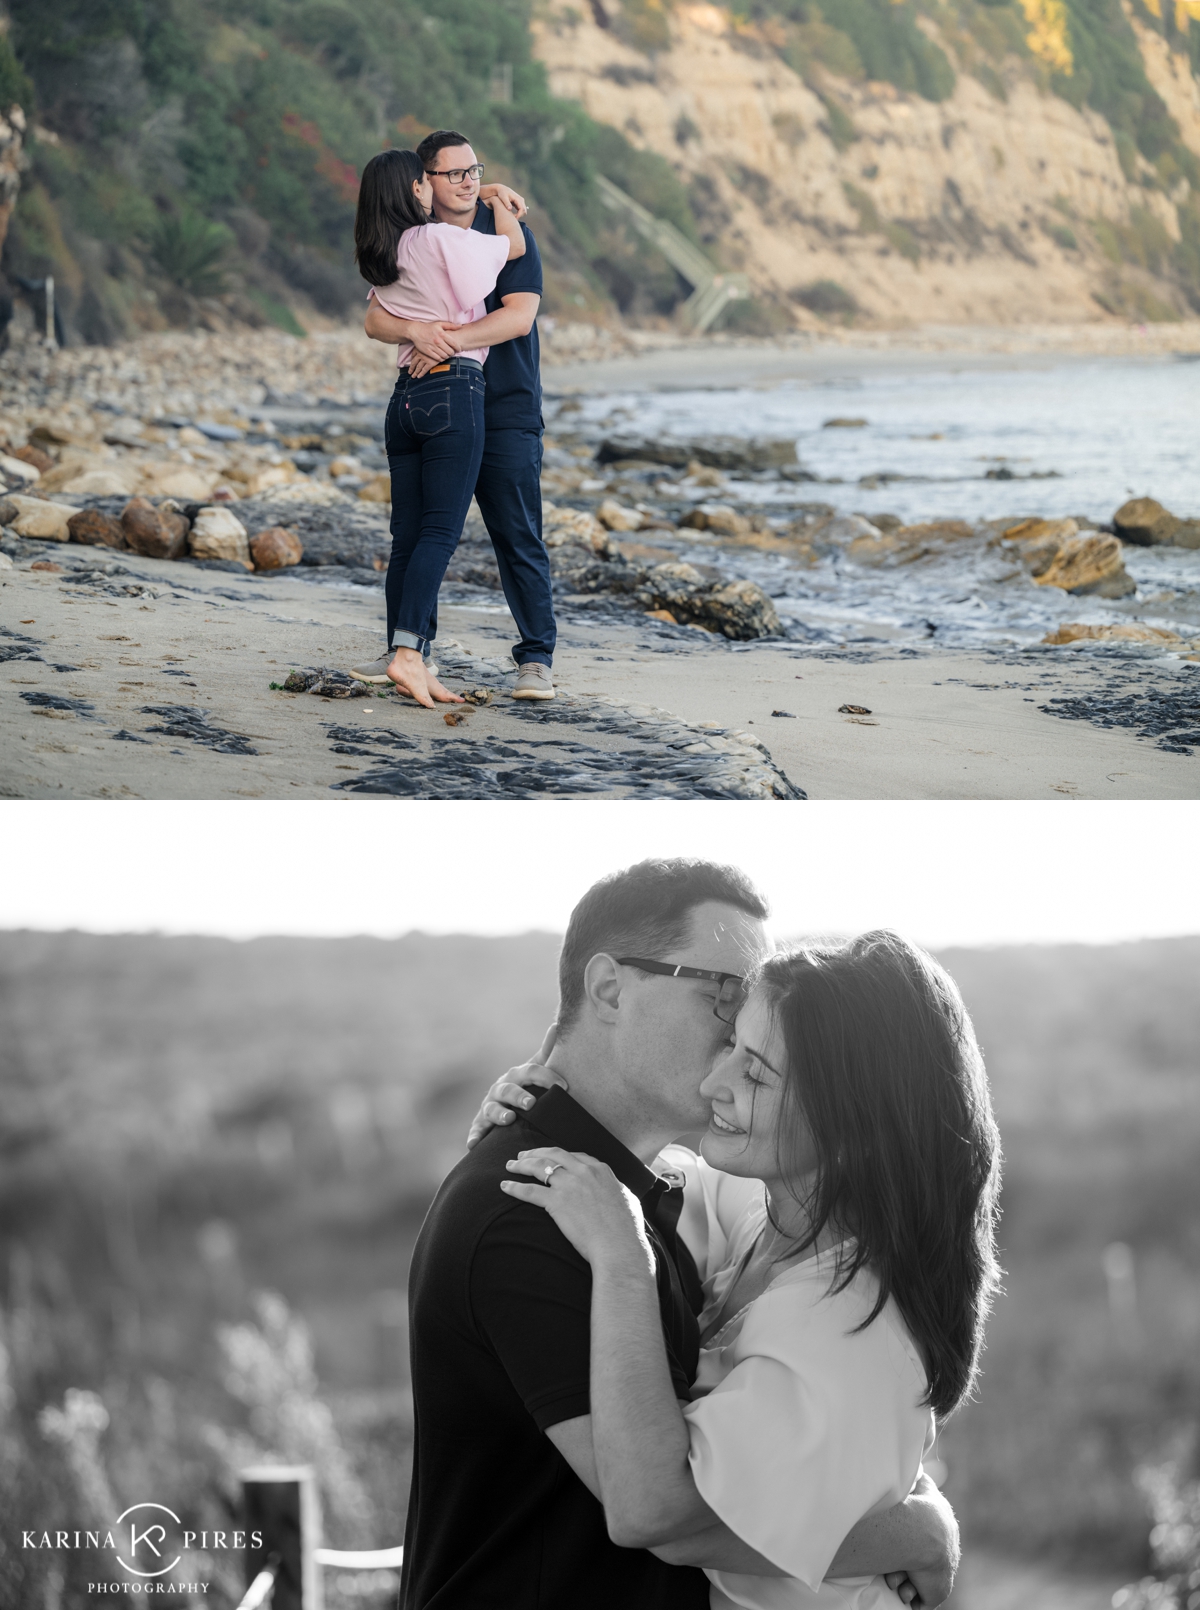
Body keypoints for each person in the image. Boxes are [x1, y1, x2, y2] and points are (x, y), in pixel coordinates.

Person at [399, 860, 962, 1610]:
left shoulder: (647, 1193)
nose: (739, 1032)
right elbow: (665, 1510)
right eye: (723, 995)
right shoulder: (530, 1212)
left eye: (750, 1011)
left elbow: (822, 1439)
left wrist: (921, 1515)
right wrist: (914, 1532)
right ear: (608, 990)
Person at [499, 931, 1002, 1610]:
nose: (715, 1081)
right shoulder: (771, 1212)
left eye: (756, 1073)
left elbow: (656, 1515)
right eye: (731, 1043)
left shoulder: (842, 1321)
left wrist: (624, 1261)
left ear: (853, 1131)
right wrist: (530, 1107)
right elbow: (662, 1173)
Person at [355, 130, 557, 702]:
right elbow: (375, 320)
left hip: (507, 402)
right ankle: (408, 647)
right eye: (456, 173)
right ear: (424, 183)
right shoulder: (414, 237)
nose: (470, 180)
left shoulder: (509, 231)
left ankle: (536, 659)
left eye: (477, 171)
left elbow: (518, 317)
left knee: (516, 533)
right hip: (446, 397)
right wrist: (419, 332)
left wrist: (441, 341)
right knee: (417, 531)